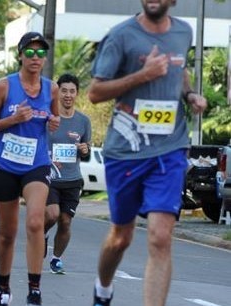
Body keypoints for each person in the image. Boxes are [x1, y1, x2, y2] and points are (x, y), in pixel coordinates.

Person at [88, 1, 206, 305]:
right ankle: (103, 289)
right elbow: (95, 93)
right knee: (120, 237)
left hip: (170, 148)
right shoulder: (121, 36)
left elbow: (179, 71)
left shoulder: (183, 31)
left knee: (160, 235)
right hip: (126, 151)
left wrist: (190, 94)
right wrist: (143, 74)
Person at [0, 32, 60, 306]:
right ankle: (3, 286)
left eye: (41, 53)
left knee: (36, 221)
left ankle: (34, 288)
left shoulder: (52, 89)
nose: (35, 58)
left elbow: (55, 118)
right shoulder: (4, 86)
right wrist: (13, 119)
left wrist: (53, 123)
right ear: (20, 55)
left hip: (36, 164)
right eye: (30, 52)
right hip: (5, 165)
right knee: (7, 232)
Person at [43, 73, 91, 274]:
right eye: (64, 91)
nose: (68, 95)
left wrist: (84, 150)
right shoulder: (48, 118)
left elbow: (86, 153)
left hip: (72, 180)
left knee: (65, 221)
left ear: (77, 94)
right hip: (50, 178)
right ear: (57, 93)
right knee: (52, 215)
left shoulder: (83, 121)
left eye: (72, 91)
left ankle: (56, 258)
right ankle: (42, 234)